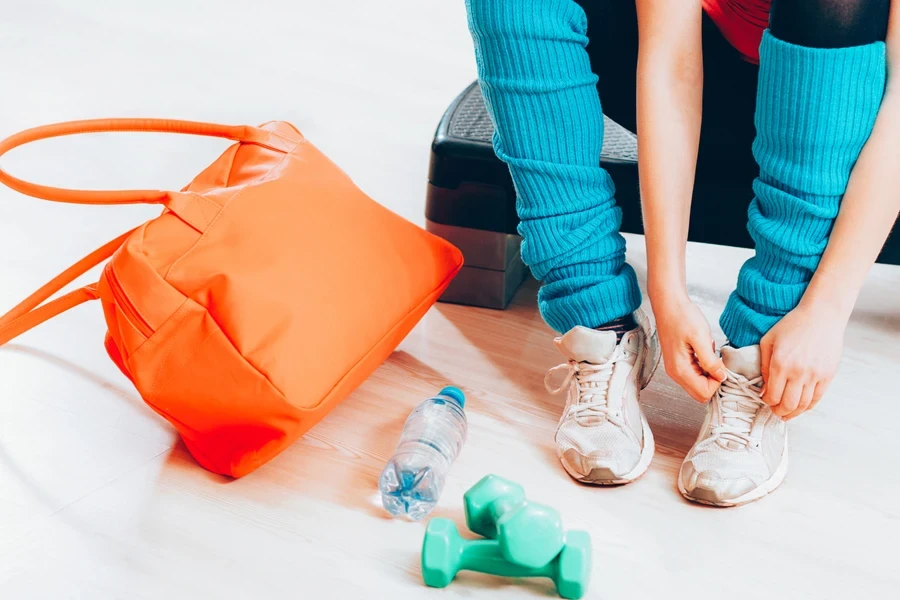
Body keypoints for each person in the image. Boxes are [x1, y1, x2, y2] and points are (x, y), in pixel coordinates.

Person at [465, 0, 900, 506]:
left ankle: (762, 352)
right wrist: (667, 292)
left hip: (836, 102)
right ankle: (598, 323)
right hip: (692, 73)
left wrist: (825, 310)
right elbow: (670, 62)